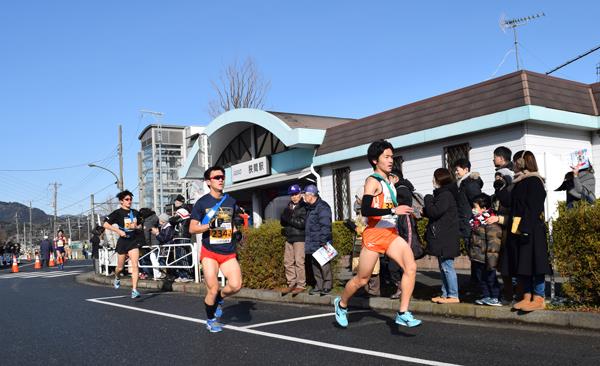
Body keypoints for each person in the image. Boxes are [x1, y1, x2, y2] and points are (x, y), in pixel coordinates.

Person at [335, 140, 421, 328]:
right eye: (386, 157)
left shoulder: (390, 181)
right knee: (362, 279)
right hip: (374, 235)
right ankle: (341, 305)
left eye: (392, 157)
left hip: (390, 234)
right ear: (375, 160)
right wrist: (393, 212)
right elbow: (365, 209)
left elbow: (387, 205)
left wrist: (403, 209)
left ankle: (403, 312)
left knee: (411, 267)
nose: (391, 160)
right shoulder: (372, 181)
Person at [189, 166, 243, 333]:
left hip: (228, 251)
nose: (221, 179)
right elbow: (192, 228)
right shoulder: (202, 203)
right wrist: (208, 226)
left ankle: (220, 298)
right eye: (217, 177)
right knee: (213, 287)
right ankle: (211, 319)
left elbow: (231, 223)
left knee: (236, 286)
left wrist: (236, 232)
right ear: (208, 182)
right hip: (210, 252)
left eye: (222, 177)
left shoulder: (230, 201)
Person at [499, 151, 551, 312]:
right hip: (519, 228)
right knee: (524, 264)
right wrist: (503, 185)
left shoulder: (534, 181)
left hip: (531, 229)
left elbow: (534, 208)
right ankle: (527, 296)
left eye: (516, 162)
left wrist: (525, 228)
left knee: (535, 264)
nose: (514, 165)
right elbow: (508, 201)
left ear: (522, 162)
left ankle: (539, 297)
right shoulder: (519, 181)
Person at [424, 168, 461, 304]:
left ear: (439, 179)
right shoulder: (445, 194)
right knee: (444, 267)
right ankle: (446, 294)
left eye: (434, 178)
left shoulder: (445, 195)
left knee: (447, 267)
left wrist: (428, 199)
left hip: (445, 237)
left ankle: (453, 295)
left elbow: (435, 212)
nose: (432, 181)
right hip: (445, 236)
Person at [103, 190, 144, 299]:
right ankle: (117, 277)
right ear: (121, 201)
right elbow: (105, 224)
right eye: (127, 199)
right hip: (122, 241)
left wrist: (137, 227)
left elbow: (140, 225)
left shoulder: (135, 213)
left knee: (135, 264)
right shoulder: (117, 213)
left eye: (130, 199)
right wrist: (118, 231)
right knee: (120, 267)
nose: (129, 201)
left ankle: (134, 290)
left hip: (133, 241)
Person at [390, 170, 422, 299]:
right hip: (395, 241)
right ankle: (400, 288)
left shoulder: (402, 191)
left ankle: (405, 291)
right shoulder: (394, 191)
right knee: (393, 267)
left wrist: (407, 249)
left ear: (395, 178)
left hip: (404, 243)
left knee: (403, 267)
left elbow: (409, 232)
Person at [490, 146, 516, 304]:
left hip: (506, 225)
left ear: (501, 158)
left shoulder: (506, 176)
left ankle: (510, 294)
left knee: (507, 262)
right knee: (506, 262)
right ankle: (510, 293)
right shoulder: (510, 176)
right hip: (503, 224)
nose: (493, 159)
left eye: (495, 157)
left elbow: (505, 202)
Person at [469, 194, 503, 306]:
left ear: (484, 208)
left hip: (487, 257)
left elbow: (494, 243)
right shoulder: (476, 221)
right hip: (478, 256)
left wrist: (492, 261)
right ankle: (487, 296)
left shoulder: (490, 222)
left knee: (490, 278)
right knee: (481, 278)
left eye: (475, 207)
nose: (473, 209)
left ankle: (495, 297)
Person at [303, 184, 333, 296]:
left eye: (305, 194)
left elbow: (326, 225)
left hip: (321, 241)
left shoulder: (322, 207)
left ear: (311, 195)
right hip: (312, 241)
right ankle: (319, 285)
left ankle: (327, 286)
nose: (304, 197)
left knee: (324, 264)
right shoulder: (310, 207)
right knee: (315, 265)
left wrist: (324, 240)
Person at [279, 184, 308, 295]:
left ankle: (301, 285)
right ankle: (291, 283)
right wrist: (283, 217)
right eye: (291, 195)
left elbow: (302, 224)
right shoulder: (289, 206)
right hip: (289, 237)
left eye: (296, 194)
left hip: (300, 237)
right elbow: (283, 222)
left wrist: (289, 218)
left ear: (300, 194)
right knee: (288, 261)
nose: (294, 197)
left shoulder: (304, 206)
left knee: (299, 262)